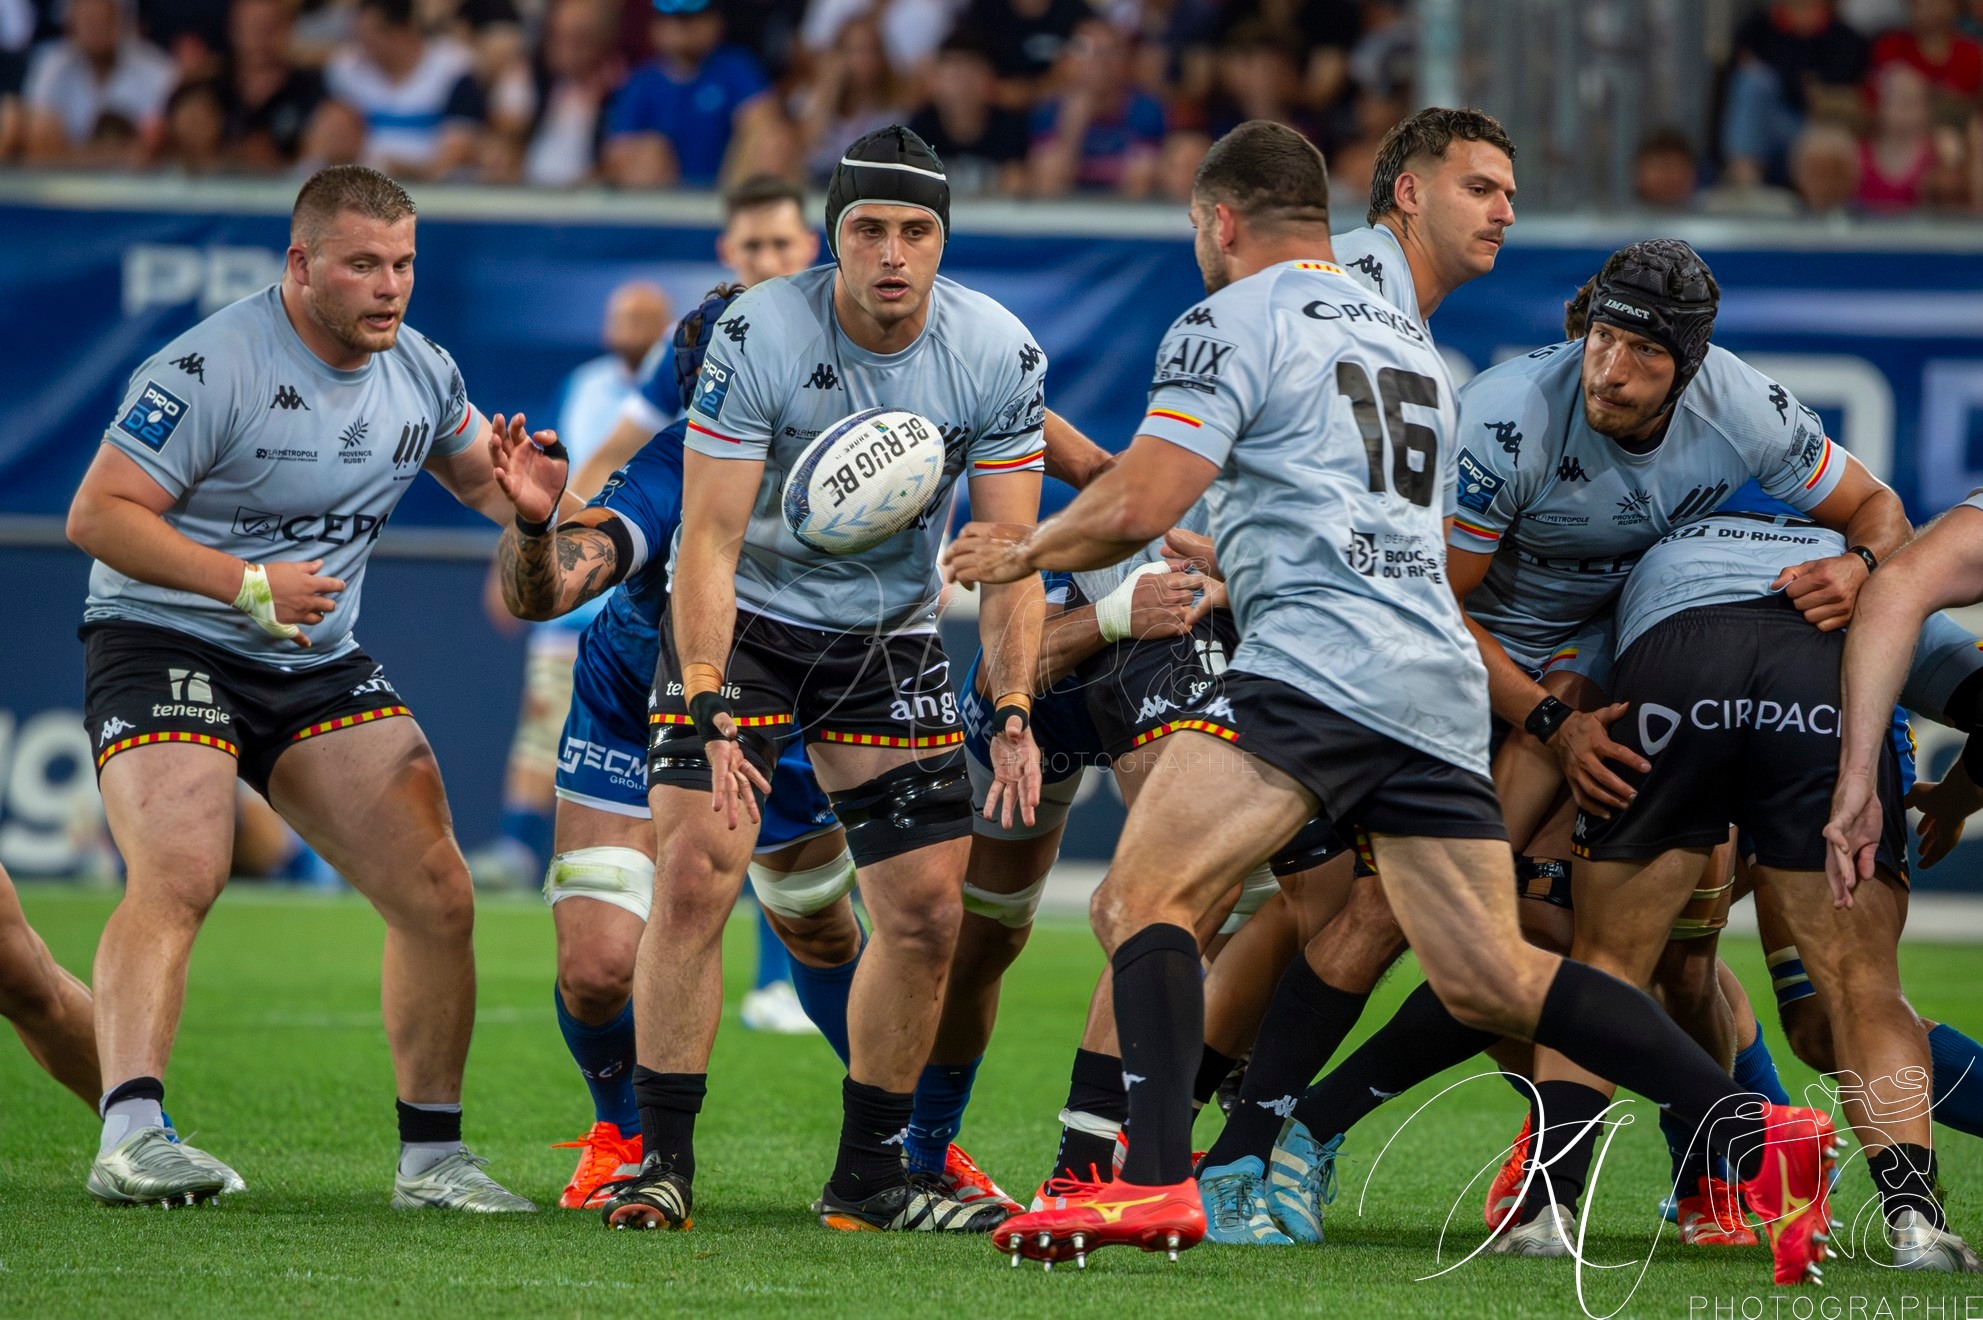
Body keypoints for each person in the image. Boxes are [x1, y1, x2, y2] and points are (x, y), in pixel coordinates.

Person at [949, 121, 1838, 1289]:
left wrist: (1021, 554)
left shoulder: (1229, 316)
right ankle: (1757, 1130)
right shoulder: (1407, 341)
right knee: (1490, 974)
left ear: (1220, 222)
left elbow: (1142, 500)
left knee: (1141, 898)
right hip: (1434, 676)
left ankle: (1150, 1175)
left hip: (1318, 660)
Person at [597, 124, 1049, 1236]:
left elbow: (1010, 560)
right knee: (696, 874)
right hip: (746, 626)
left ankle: (869, 1180)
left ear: (943, 239)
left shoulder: (998, 351)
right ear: (832, 236)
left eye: (916, 231)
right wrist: (706, 692)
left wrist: (1014, 707)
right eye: (868, 228)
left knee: (927, 913)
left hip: (885, 640)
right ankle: (660, 1166)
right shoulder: (756, 330)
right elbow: (707, 539)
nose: (892, 254)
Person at [64, 165, 537, 1212]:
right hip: (166, 633)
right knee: (183, 866)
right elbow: (97, 516)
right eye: (363, 264)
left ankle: (432, 1162)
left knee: (437, 890)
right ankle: (131, 1138)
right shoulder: (208, 366)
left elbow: (489, 484)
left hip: (311, 656)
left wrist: (537, 505)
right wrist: (246, 582)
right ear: (301, 263)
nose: (390, 286)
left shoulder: (423, 369)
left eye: (403, 263)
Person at [490, 287, 868, 1212]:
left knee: (820, 926)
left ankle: (907, 1143)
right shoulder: (674, 464)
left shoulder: (857, 463)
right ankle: (622, 1134)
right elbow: (551, 590)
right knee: (593, 970)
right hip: (634, 703)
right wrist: (538, 527)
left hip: (779, 714)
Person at [1571, 505, 1983, 1272]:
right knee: (1850, 996)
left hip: (1688, 685)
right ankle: (1894, 1218)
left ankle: (1624, 1189)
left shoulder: (1649, 560)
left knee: (1632, 959)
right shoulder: (1870, 575)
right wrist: (1955, 796)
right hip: (1822, 729)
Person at [477, 280, 670, 893]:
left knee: (666, 736)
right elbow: (542, 476)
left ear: (664, 326)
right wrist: (514, 562)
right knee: (546, 719)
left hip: (649, 588)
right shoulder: (584, 384)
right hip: (577, 581)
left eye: (640, 318)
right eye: (618, 317)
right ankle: (517, 845)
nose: (625, 328)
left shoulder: (685, 381)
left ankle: (671, 860)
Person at [574, 175, 820, 500]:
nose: (767, 262)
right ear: (727, 250)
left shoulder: (852, 331)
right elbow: (613, 456)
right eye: (752, 246)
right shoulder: (691, 344)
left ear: (810, 245)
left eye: (781, 244)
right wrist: (555, 527)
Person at [602, 0, 777, 188]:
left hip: (726, 188)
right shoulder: (641, 82)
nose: (681, 27)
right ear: (655, 27)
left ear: (715, 22)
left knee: (770, 137)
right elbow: (618, 151)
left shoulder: (735, 67)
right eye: (671, 18)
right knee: (649, 151)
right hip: (663, 196)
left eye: (692, 18)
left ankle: (739, 200)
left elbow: (761, 121)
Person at [325, 0, 484, 179]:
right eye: (359, 38)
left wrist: (393, 170)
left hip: (430, 188)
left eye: (369, 39)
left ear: (401, 32)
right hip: (359, 184)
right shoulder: (346, 68)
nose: (362, 49)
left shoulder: (454, 69)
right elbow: (328, 144)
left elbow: (455, 156)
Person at [20, 0, 174, 164]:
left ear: (122, 21)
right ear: (70, 24)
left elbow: (155, 147)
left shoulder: (157, 71)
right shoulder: (52, 68)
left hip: (141, 179)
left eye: (105, 20)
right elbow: (37, 147)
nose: (97, 29)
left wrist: (68, 154)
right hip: (64, 178)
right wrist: (118, 154)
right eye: (89, 21)